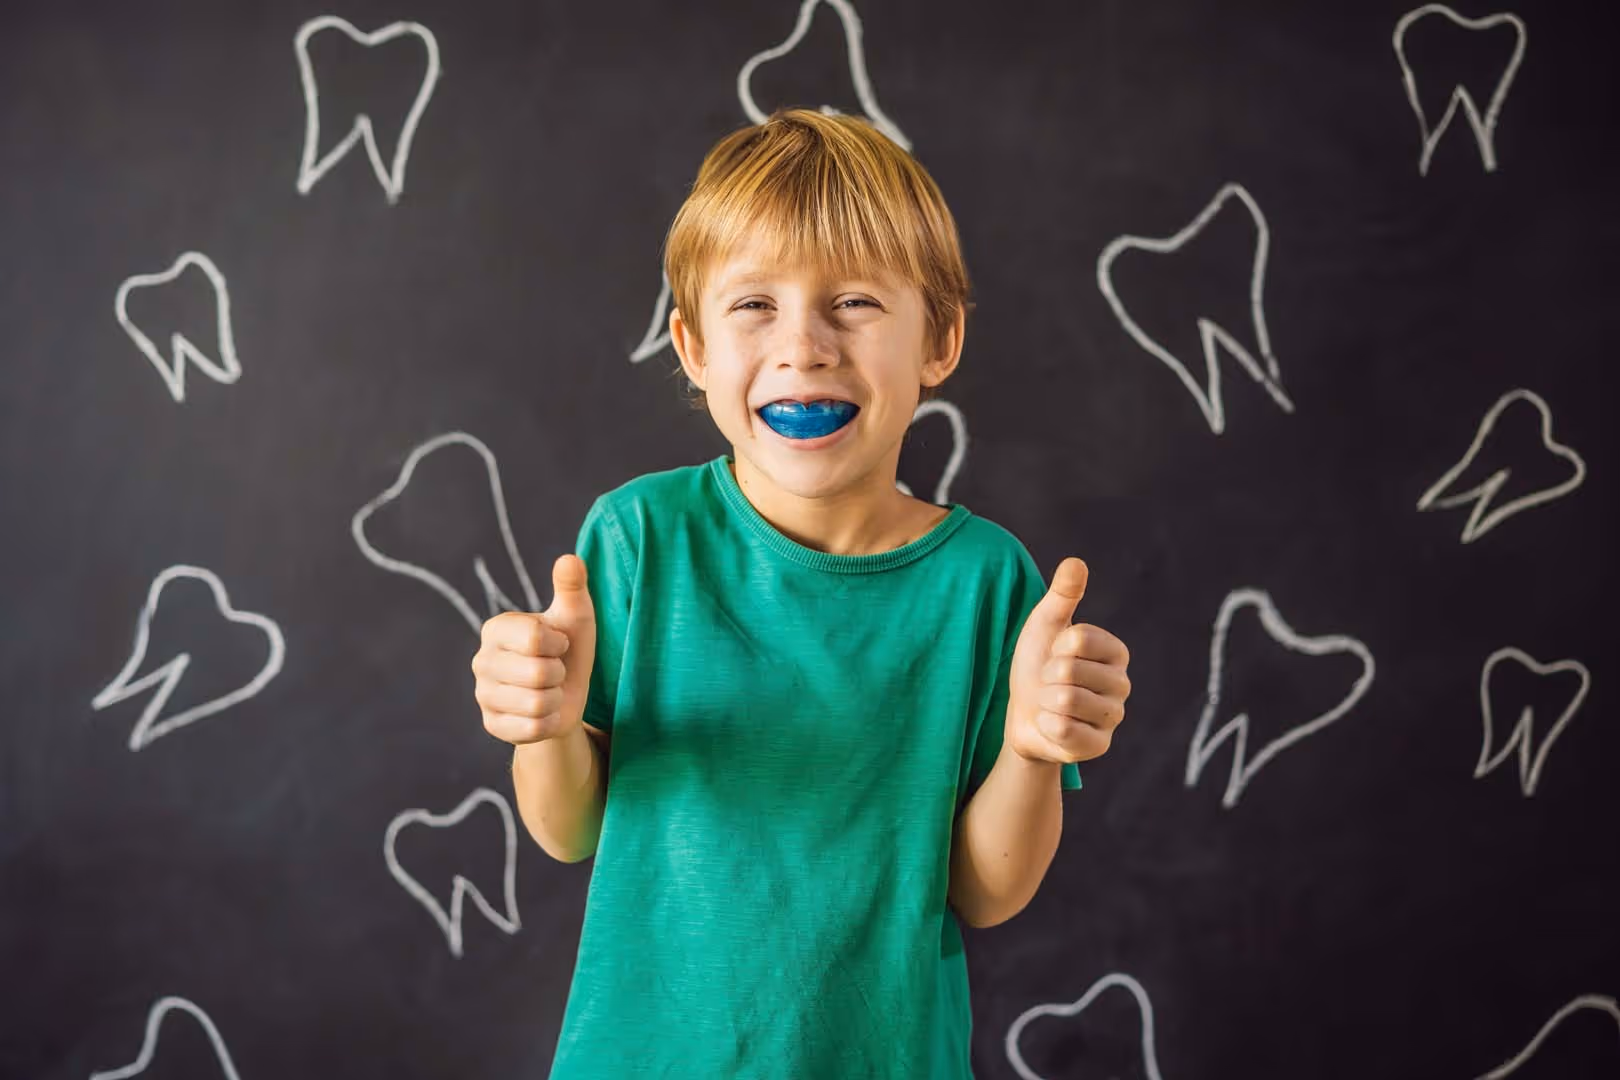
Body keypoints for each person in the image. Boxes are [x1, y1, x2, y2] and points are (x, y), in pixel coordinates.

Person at [471, 107, 1132, 1079]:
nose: (804, 347)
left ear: (939, 340)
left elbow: (987, 893)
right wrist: (546, 729)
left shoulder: (989, 584)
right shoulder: (638, 539)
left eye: (854, 302)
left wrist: (1032, 751)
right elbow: (568, 831)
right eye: (754, 306)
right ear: (693, 348)